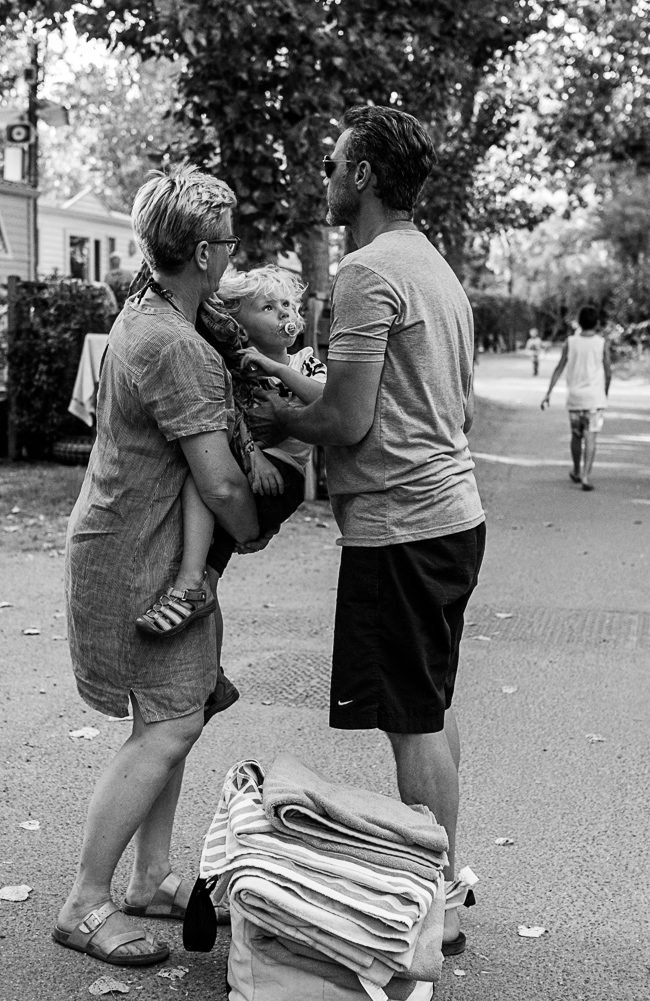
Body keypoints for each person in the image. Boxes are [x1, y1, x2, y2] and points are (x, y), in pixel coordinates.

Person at [251, 105, 485, 957]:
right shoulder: (430, 266)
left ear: (367, 177)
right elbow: (390, 398)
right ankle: (448, 879)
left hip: (403, 526)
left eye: (336, 161)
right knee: (429, 705)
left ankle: (436, 905)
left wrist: (272, 414)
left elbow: (348, 419)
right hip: (451, 517)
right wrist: (284, 373)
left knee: (411, 719)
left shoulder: (363, 271)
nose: (327, 174)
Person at [56, 165, 262, 968]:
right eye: (230, 241)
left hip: (125, 541)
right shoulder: (175, 344)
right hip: (134, 557)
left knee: (168, 720)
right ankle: (84, 901)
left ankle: (148, 878)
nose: (234, 254)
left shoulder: (148, 315)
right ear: (206, 253)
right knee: (169, 723)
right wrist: (255, 525)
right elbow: (218, 480)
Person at [134, 263, 325, 638]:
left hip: (283, 476)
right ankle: (212, 667)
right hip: (246, 469)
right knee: (210, 582)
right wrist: (252, 454)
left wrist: (277, 369)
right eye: (268, 308)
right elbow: (226, 419)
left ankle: (187, 581)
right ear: (239, 321)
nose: (284, 313)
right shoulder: (231, 368)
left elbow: (327, 400)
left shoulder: (304, 362)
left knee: (199, 481)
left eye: (287, 305)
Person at [541, 304, 611, 491]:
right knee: (591, 437)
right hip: (594, 399)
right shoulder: (601, 343)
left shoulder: (570, 342)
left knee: (576, 435)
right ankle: (586, 476)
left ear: (579, 322)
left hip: (575, 399)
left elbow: (559, 368)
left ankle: (576, 469)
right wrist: (605, 392)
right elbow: (608, 371)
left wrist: (548, 393)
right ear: (596, 323)